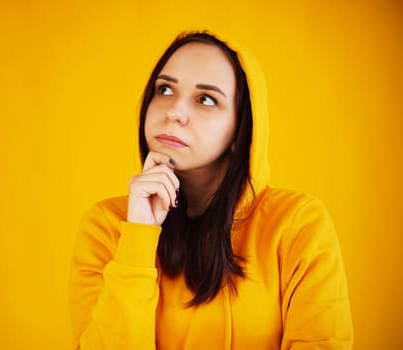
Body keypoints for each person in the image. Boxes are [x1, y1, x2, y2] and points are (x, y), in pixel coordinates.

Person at [69, 31, 353, 349]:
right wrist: (138, 237)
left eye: (206, 99)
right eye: (164, 89)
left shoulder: (297, 223)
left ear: (240, 128)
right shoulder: (106, 226)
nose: (174, 111)